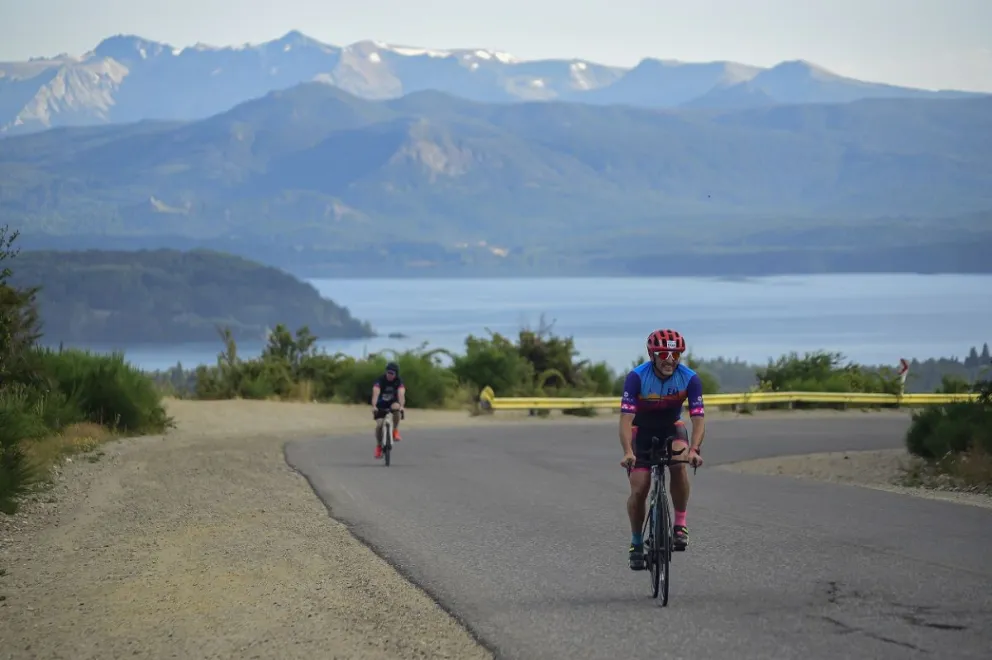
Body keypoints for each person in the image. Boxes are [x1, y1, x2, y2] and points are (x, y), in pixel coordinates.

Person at [619, 328, 705, 571]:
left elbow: (698, 419)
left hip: (671, 428)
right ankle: (636, 543)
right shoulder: (636, 378)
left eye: (676, 355)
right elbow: (625, 420)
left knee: (679, 464)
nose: (670, 360)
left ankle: (680, 524)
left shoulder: (689, 378)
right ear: (652, 354)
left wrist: (695, 449)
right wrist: (627, 451)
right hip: (641, 432)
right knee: (640, 488)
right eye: (664, 354)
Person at [371, 361, 405, 460]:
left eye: (392, 373)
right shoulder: (380, 380)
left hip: (393, 403)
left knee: (397, 409)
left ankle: (395, 431)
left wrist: (402, 405)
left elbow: (401, 393)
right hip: (380, 405)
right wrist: (374, 405)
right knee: (379, 426)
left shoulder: (398, 381)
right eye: (388, 372)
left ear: (396, 374)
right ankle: (378, 446)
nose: (389, 375)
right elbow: (375, 392)